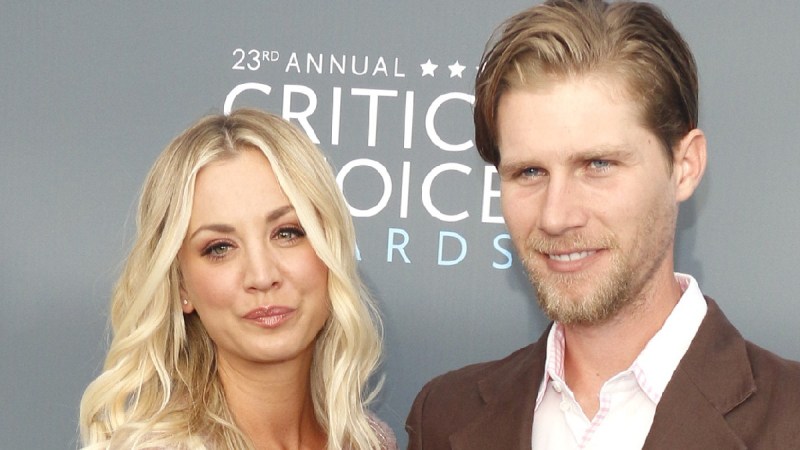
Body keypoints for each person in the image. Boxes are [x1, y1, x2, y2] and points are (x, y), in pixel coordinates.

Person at [406, 1, 800, 449]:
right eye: (529, 172)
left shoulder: (790, 417)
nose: (556, 216)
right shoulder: (443, 414)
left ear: (685, 166)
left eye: (597, 164)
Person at [80, 109, 396, 450]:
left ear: (329, 248)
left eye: (287, 233)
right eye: (220, 248)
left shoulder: (369, 441)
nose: (262, 276)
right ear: (181, 286)